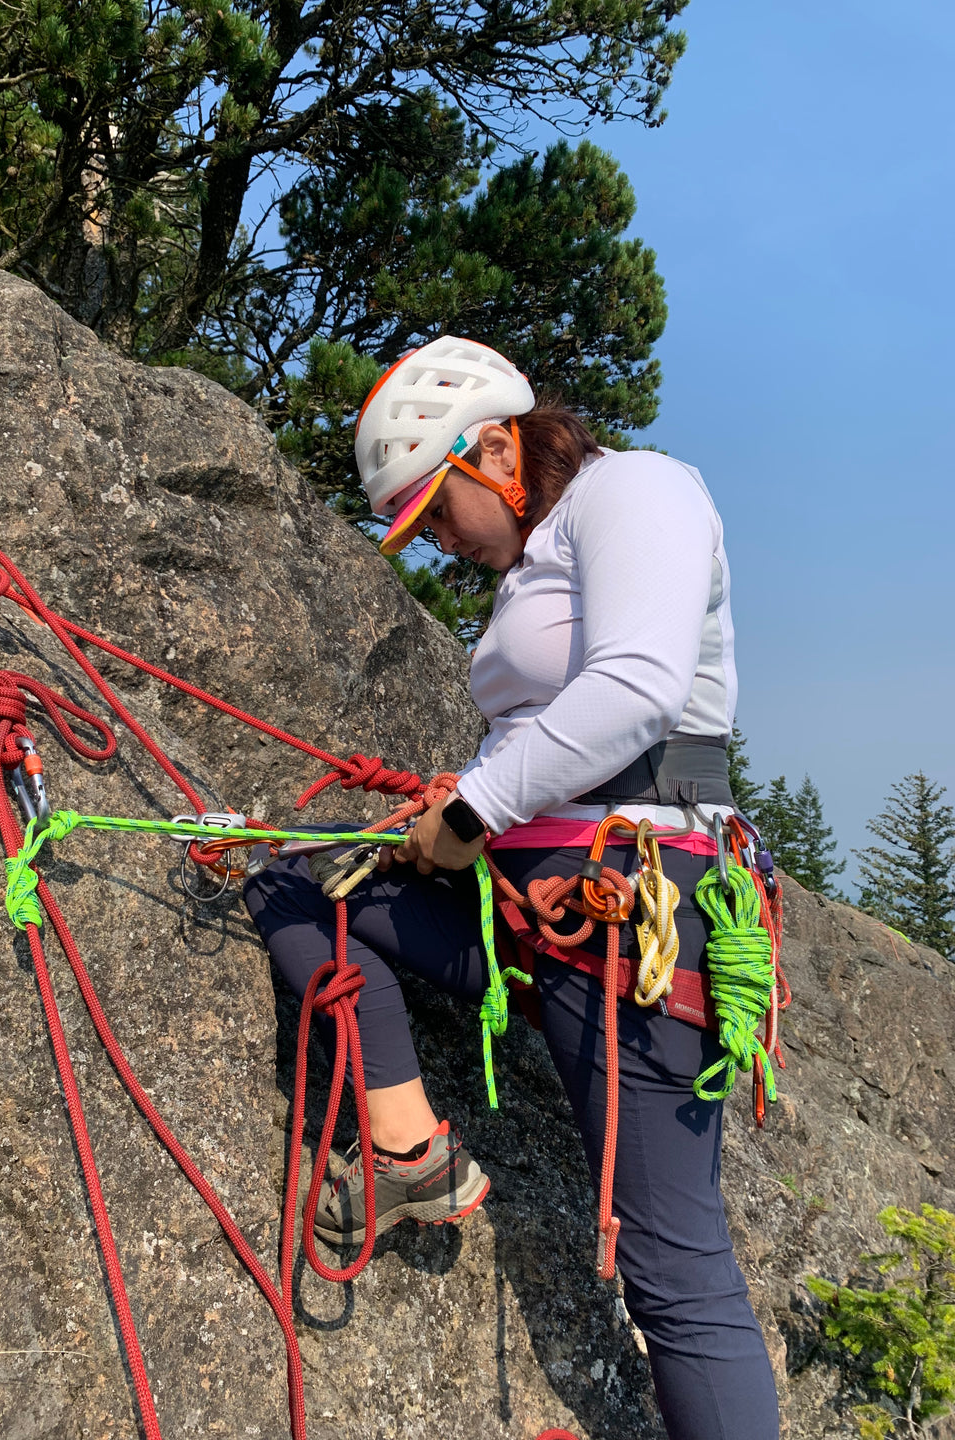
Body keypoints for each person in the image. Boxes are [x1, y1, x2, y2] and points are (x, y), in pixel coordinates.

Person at [244, 335, 780, 1440]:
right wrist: (459, 816)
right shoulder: (541, 559)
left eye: (438, 513)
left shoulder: (640, 488)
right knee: (300, 883)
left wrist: (472, 810)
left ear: (495, 448)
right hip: (542, 911)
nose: (441, 544)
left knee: (672, 1267)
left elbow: (638, 686)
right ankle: (408, 1150)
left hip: (640, 912)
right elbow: (548, 736)